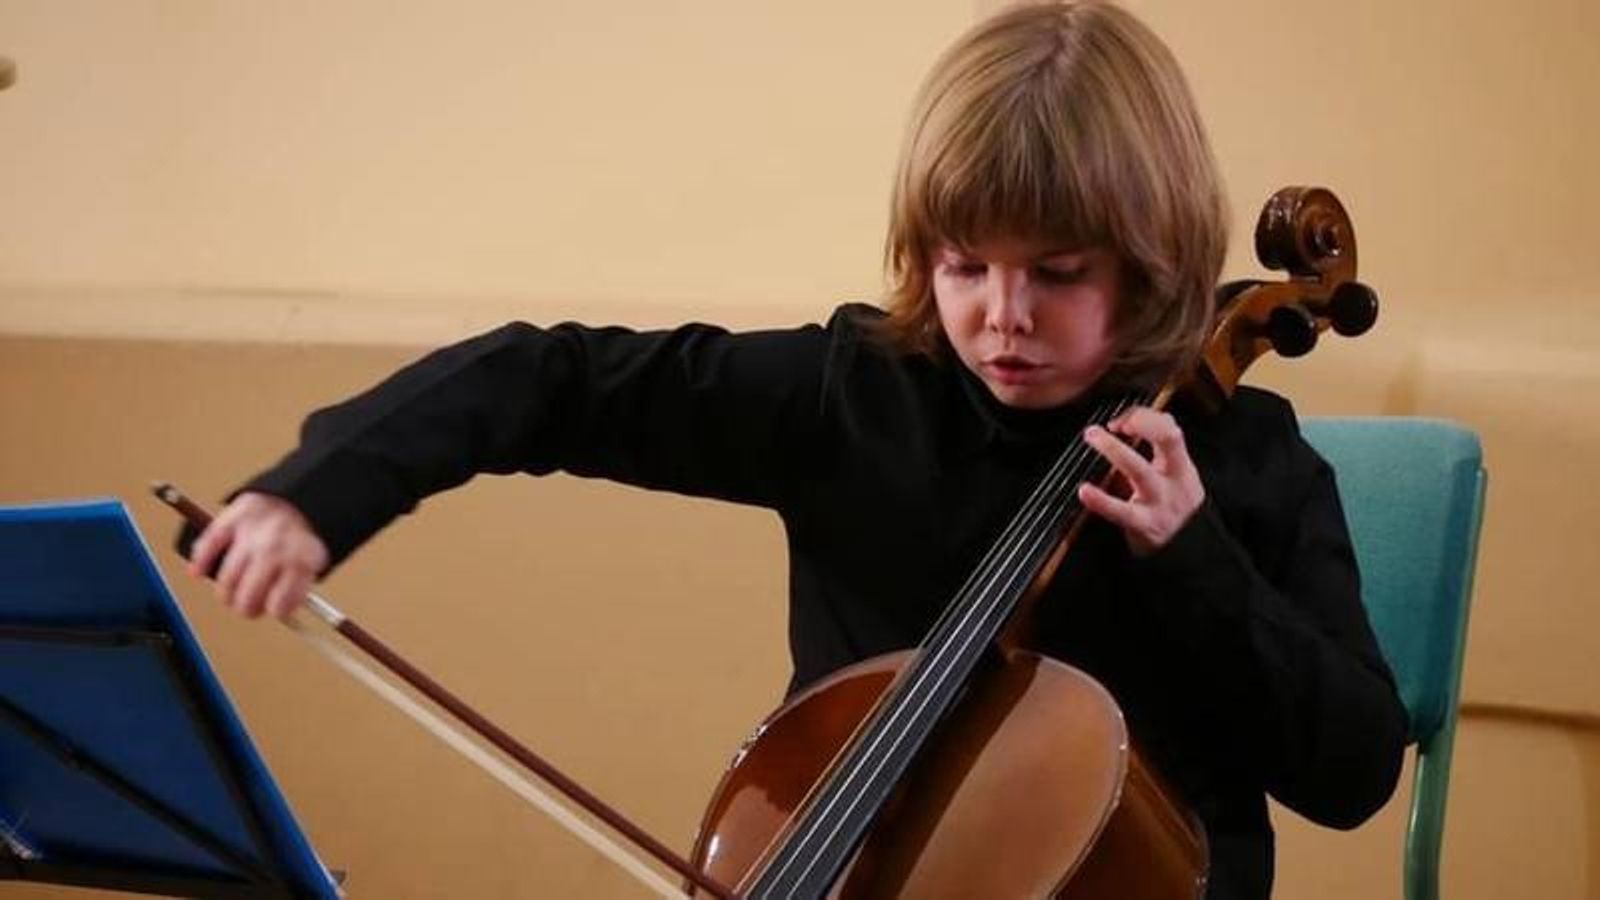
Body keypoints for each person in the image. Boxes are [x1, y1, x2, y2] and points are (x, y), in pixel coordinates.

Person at [184, 2, 1407, 896]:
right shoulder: (856, 397)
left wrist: (1193, 563)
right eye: (963, 264)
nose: (1001, 315)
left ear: (1151, 258)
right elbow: (543, 376)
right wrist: (317, 495)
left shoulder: (1238, 460)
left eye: (1058, 273)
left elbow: (1351, 771)